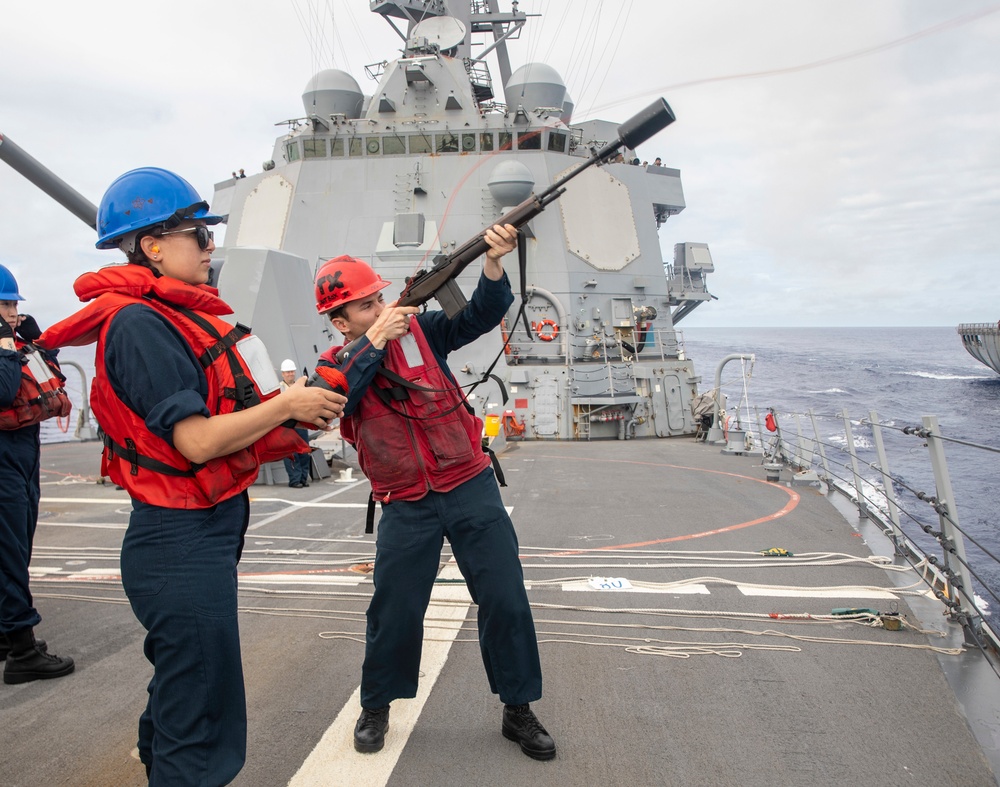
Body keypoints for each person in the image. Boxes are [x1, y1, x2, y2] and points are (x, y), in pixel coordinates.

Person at [39, 167, 346, 784]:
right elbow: (197, 441)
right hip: (179, 541)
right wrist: (285, 405)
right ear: (152, 246)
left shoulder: (165, 317)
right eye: (198, 236)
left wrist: (291, 405)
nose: (210, 248)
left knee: (183, 687)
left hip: (201, 531)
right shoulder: (139, 325)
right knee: (200, 713)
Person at [314, 225, 556, 761]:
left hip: (469, 483)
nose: (380, 308)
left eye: (379, 298)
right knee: (395, 610)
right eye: (364, 305)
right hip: (404, 501)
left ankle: (518, 709)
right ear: (339, 322)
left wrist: (493, 264)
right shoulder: (335, 366)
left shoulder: (422, 332)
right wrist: (376, 341)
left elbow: (478, 315)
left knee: (506, 599)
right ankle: (376, 705)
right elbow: (333, 399)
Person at [1, 264, 75, 684]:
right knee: (9, 550)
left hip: (21, 449)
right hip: (4, 455)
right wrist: (5, 343)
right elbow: (4, 388)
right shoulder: (2, 347)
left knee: (19, 540)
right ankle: (23, 652)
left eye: (14, 304)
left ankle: (6, 633)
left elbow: (48, 370)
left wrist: (30, 335)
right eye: (6, 304)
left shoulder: (13, 342)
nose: (12, 312)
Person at [280, 358, 312, 488]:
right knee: (291, 453)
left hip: (302, 423)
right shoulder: (279, 388)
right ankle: (295, 480)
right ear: (283, 374)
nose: (290, 374)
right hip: (287, 425)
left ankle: (303, 479)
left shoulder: (301, 386)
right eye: (287, 372)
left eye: (292, 372)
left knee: (304, 452)